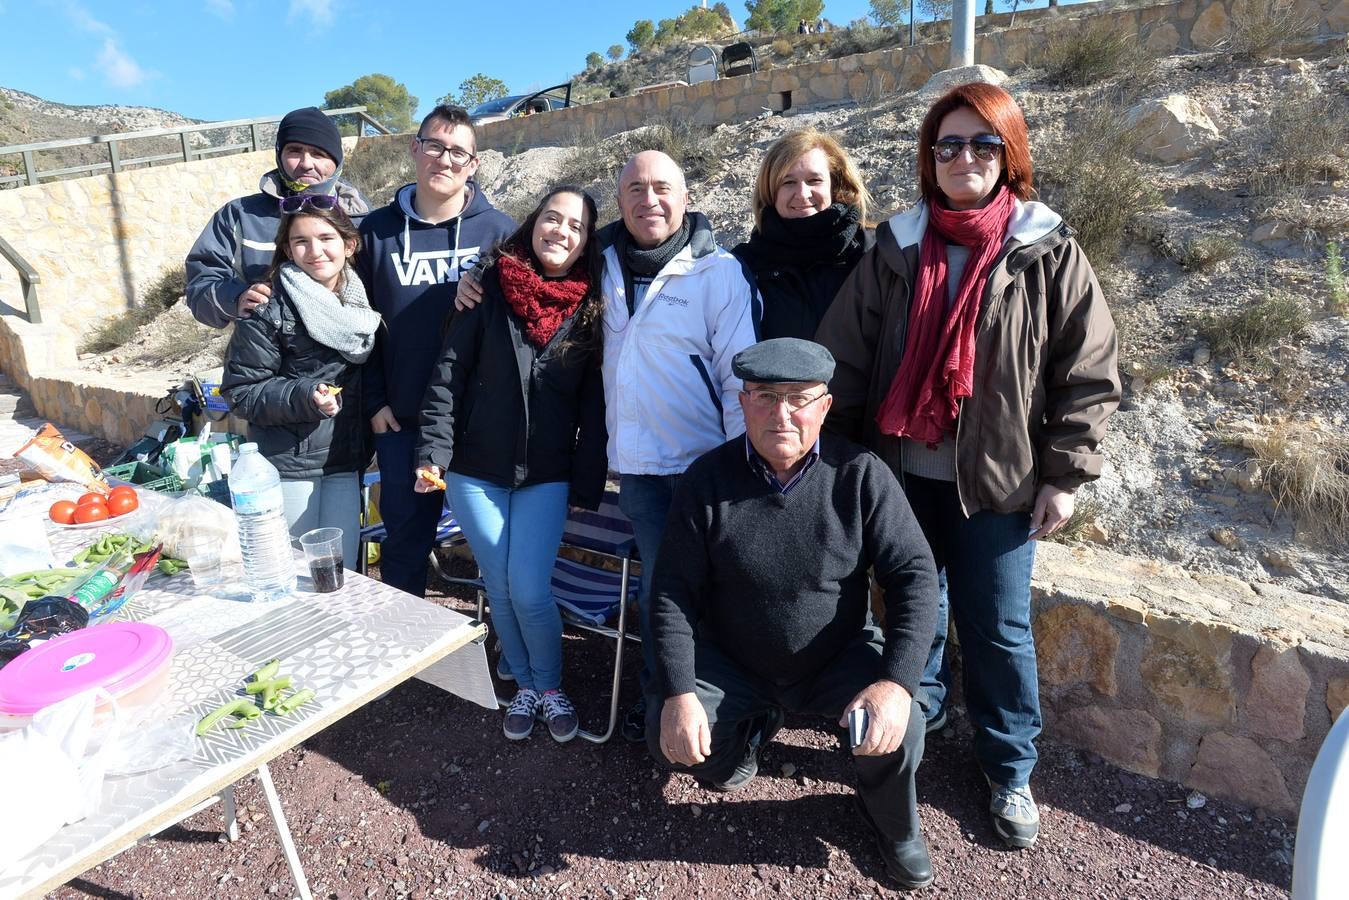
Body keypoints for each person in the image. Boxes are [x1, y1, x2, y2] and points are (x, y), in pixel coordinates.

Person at [815, 82, 1121, 850]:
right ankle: (907, 742)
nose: (963, 158)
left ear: (1008, 154)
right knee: (911, 618)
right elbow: (843, 362)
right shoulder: (897, 246)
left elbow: (1084, 372)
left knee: (998, 631)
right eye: (947, 145)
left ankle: (1008, 768)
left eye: (982, 144)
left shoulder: (1045, 249)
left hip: (997, 485)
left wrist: (1063, 476)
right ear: (928, 157)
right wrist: (842, 464)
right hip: (898, 478)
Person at [455, 150, 759, 743]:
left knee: (718, 589)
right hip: (641, 470)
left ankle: (728, 719)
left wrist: (739, 464)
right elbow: (535, 267)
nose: (650, 199)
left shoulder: (718, 272)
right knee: (657, 592)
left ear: (686, 197)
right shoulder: (604, 262)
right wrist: (475, 277)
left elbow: (736, 377)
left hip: (706, 465)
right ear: (620, 202)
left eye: (662, 187)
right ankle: (660, 703)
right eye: (636, 189)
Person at [647, 338, 940, 891]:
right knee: (675, 738)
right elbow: (672, 592)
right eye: (764, 396)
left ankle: (895, 826)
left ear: (824, 407)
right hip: (734, 658)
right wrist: (679, 691)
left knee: (901, 729)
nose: (781, 413)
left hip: (837, 657)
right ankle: (744, 746)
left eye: (798, 398)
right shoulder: (706, 479)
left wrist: (898, 683)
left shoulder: (860, 474)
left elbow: (914, 577)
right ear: (742, 401)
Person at [413, 187, 607, 743]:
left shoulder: (592, 308)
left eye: (575, 226)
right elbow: (447, 377)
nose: (561, 231)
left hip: (546, 475)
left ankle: (550, 685)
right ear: (533, 223)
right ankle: (526, 684)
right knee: (498, 585)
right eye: (552, 218)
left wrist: (587, 478)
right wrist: (433, 455)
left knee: (528, 590)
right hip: (475, 472)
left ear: (585, 242)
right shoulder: (489, 288)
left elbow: (593, 407)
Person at [357, 104, 516, 598]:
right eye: (434, 146)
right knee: (405, 547)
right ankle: (403, 664)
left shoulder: (501, 233)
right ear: (415, 149)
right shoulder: (373, 233)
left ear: (474, 164)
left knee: (496, 546)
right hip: (403, 423)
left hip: (477, 423)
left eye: (457, 152)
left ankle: (503, 648)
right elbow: (354, 327)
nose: (444, 160)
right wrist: (374, 401)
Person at [221, 199, 380, 568]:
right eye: (301, 242)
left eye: (326, 238)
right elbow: (240, 391)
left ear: (348, 244)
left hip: (344, 459)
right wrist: (305, 395)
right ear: (287, 249)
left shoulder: (362, 306)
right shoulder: (268, 306)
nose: (315, 251)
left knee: (342, 574)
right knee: (293, 572)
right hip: (290, 465)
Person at [186, 107, 370, 328]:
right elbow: (199, 286)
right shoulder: (239, 216)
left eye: (319, 154)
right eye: (294, 151)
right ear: (279, 155)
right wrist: (236, 298)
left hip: (355, 357)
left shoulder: (364, 218)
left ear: (337, 160)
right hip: (268, 357)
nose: (306, 163)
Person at [732, 128, 874, 341]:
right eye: (788, 182)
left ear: (835, 185)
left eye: (814, 180)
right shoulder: (742, 267)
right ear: (770, 190)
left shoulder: (875, 252)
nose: (802, 194)